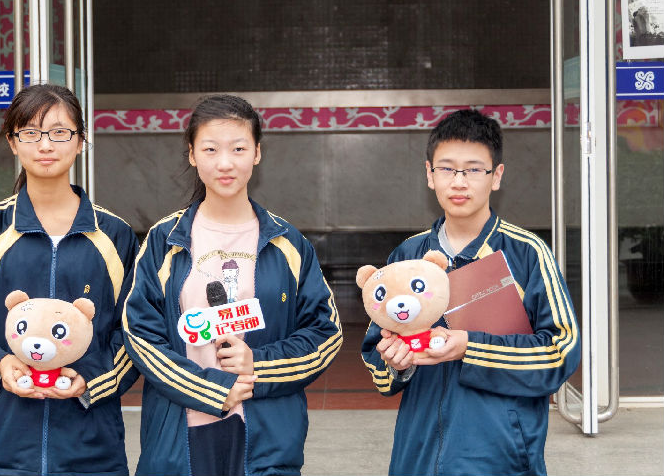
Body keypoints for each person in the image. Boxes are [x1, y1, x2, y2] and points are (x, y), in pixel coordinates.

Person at [123, 94, 342, 476]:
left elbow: (325, 333)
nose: (225, 163)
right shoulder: (164, 240)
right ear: (192, 155)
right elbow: (139, 334)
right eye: (210, 149)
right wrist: (209, 388)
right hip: (181, 434)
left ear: (257, 153)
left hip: (266, 437)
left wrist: (258, 365)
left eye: (238, 148)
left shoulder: (288, 243)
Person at [0, 84, 139, 476]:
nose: (45, 145)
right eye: (30, 132)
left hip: (91, 450)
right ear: (13, 142)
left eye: (60, 132)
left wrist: (90, 377)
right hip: (3, 449)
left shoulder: (115, 235)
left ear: (80, 141)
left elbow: (134, 333)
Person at [361, 109, 581, 476]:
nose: (459, 182)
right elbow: (376, 355)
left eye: (474, 169)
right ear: (429, 174)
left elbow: (561, 353)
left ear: (497, 176)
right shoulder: (407, 256)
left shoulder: (527, 253)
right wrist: (398, 364)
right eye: (447, 169)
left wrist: (470, 347)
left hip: (500, 456)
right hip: (418, 454)